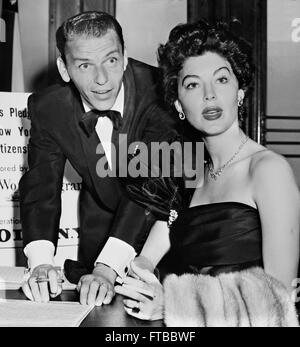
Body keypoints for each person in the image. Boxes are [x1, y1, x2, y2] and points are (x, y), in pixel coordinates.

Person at [115, 21, 300, 326]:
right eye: (192, 84)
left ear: (240, 92)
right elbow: (169, 236)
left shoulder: (268, 170)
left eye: (222, 80)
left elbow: (277, 303)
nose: (210, 95)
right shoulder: (193, 174)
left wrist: (172, 305)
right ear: (178, 104)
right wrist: (143, 272)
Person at [19, 11, 177, 305]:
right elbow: (41, 188)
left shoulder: (161, 93)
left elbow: (150, 184)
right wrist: (40, 263)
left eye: (111, 60)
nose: (102, 79)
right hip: (100, 231)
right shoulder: (49, 107)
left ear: (125, 56)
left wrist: (108, 267)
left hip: (166, 234)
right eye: (84, 65)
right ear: (64, 69)